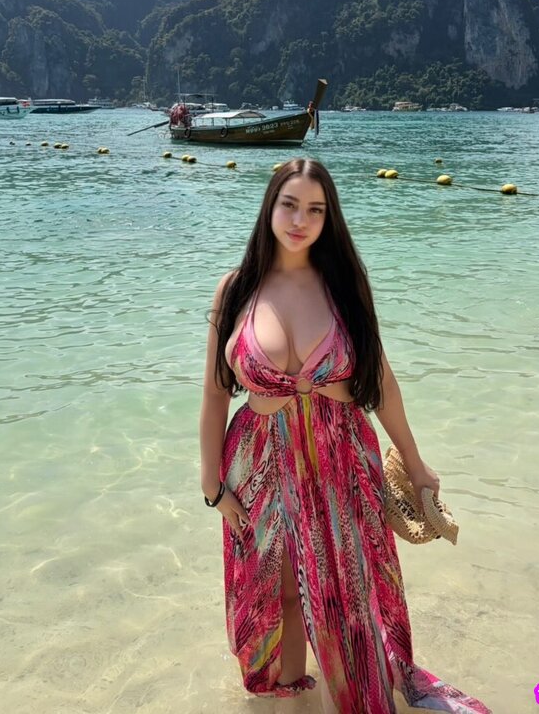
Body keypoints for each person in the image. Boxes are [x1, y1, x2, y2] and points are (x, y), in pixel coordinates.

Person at [199, 158, 491, 714]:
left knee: (351, 588)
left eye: (315, 209)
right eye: (289, 205)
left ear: (328, 218)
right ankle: (293, 696)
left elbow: (382, 382)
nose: (300, 220)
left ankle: (358, 691)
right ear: (269, 207)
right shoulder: (235, 290)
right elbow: (215, 394)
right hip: (258, 460)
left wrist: (416, 463)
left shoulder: (344, 284)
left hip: (339, 453)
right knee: (277, 588)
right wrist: (211, 486)